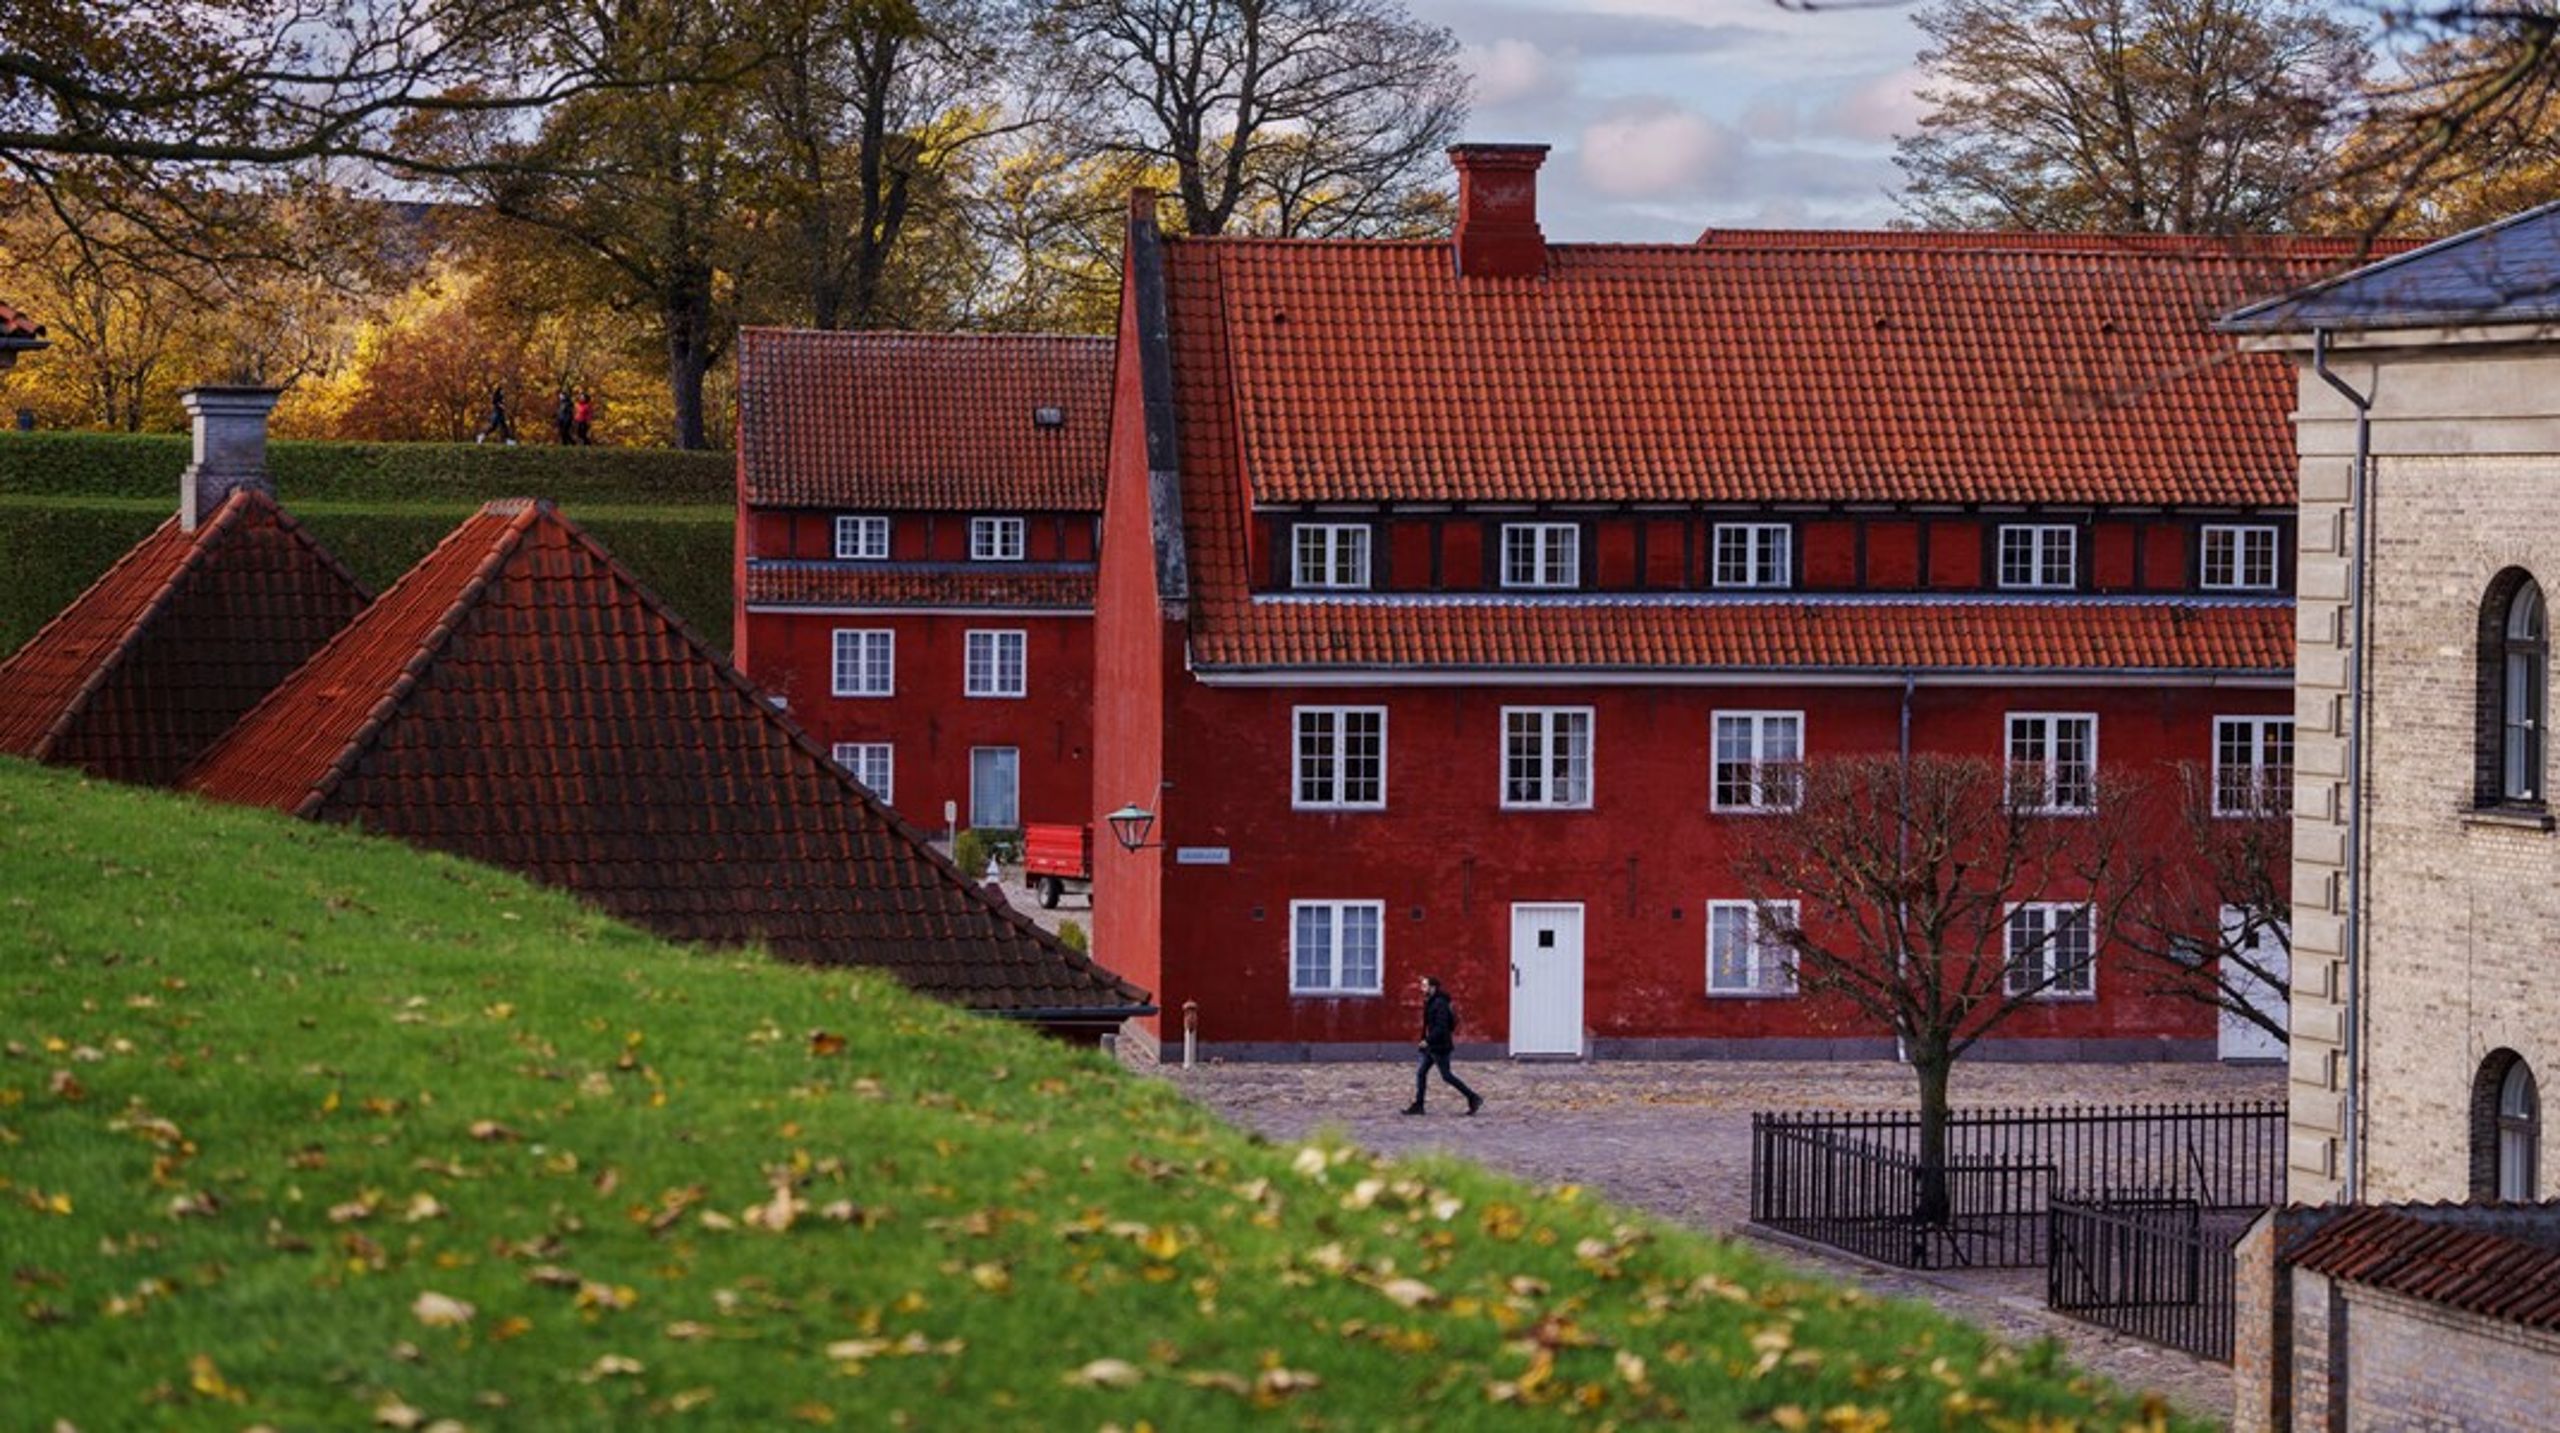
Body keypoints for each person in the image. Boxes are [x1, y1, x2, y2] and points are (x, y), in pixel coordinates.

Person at [1403, 974, 1481, 1116]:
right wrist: (1424, 1040)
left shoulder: (1440, 1003)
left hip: (1440, 1047)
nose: (1422, 988)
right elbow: (1428, 1025)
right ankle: (1419, 1105)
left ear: (1433, 988)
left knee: (1447, 1076)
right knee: (1421, 1073)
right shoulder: (1431, 1001)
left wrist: (1428, 1040)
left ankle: (1473, 1097)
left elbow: (1441, 1027)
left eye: (1425, 986)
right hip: (1432, 1046)